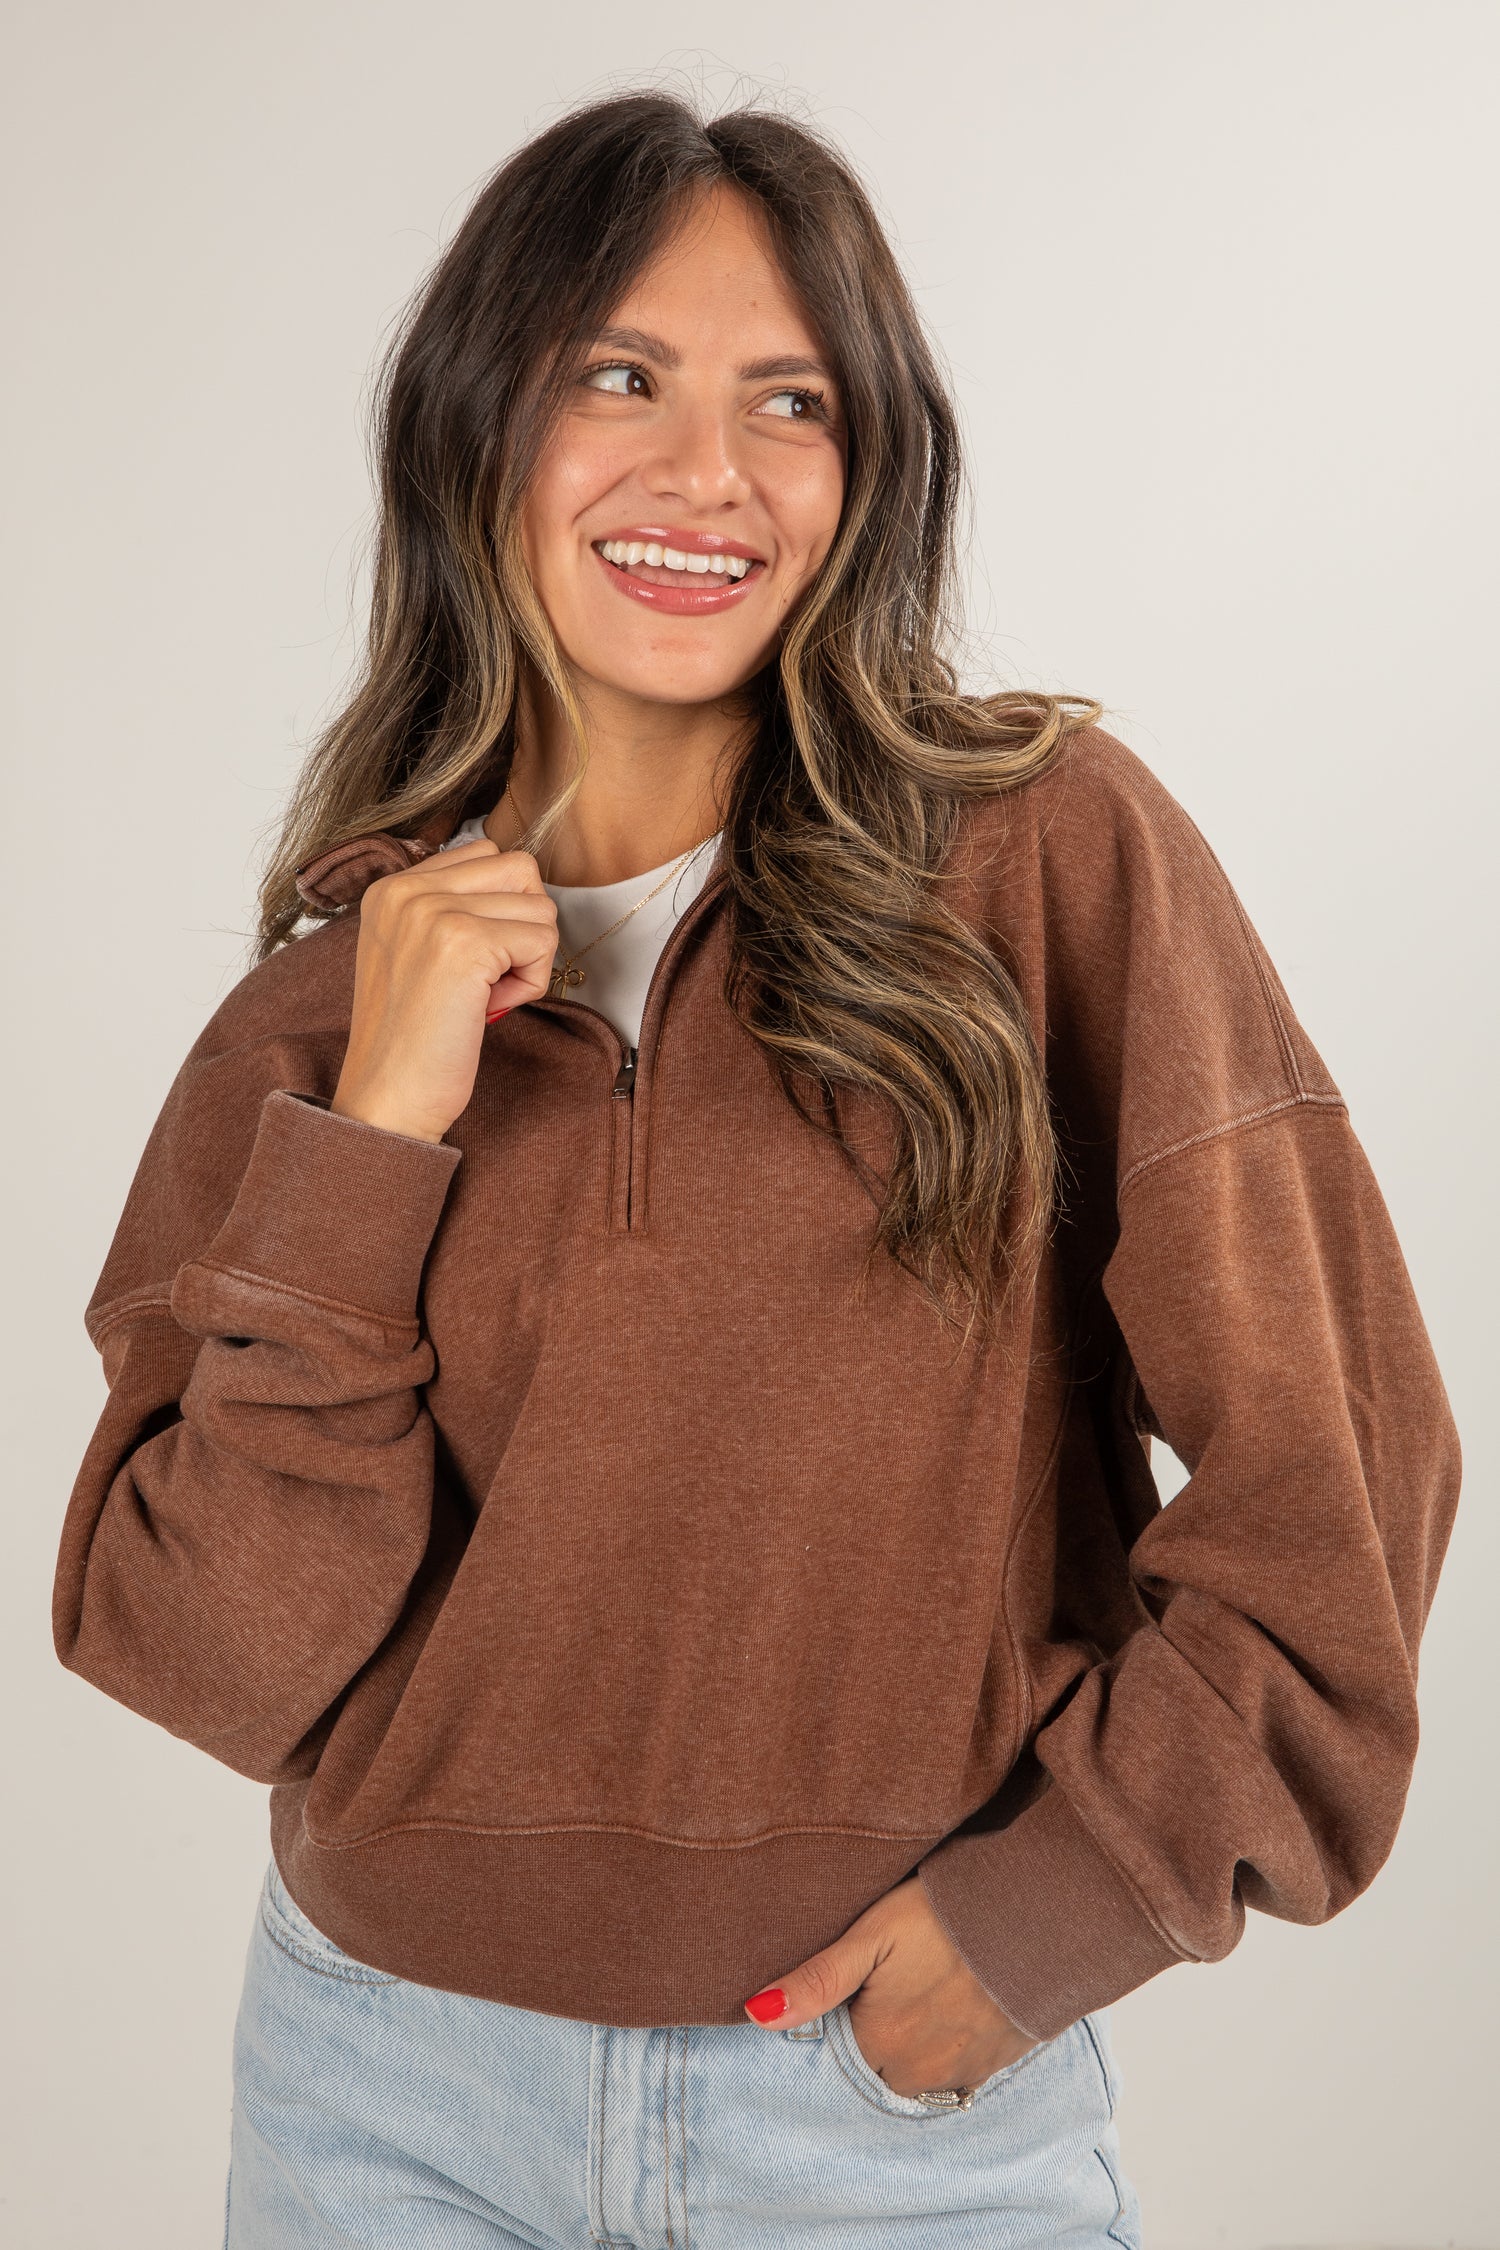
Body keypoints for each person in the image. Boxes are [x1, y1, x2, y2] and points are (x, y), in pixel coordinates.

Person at [52, 89, 1461, 2249]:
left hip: (891, 2126)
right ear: (475, 426)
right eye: (621, 375)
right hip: (379, 2106)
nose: (703, 472)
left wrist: (1070, 1902)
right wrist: (379, 1127)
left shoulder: (1046, 863)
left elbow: (1340, 1472)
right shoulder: (325, 1016)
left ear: (868, 465)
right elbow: (203, 1654)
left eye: (786, 399)